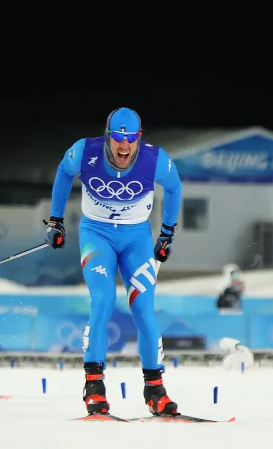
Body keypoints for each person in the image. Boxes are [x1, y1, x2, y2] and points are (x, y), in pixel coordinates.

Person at [44, 107, 183, 417]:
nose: (124, 146)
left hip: (137, 239)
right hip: (97, 235)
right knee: (104, 300)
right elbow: (63, 173)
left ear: (139, 138)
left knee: (143, 309)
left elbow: (174, 187)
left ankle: (155, 390)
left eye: (130, 139)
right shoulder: (84, 151)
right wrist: (55, 221)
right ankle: (94, 387)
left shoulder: (155, 159)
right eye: (118, 139)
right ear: (107, 137)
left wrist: (167, 234)